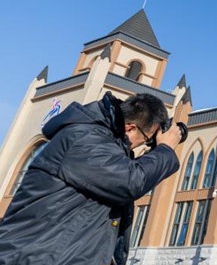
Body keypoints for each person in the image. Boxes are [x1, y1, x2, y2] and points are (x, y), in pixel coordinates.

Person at [0, 92, 182, 265]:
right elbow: (130, 181)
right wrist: (164, 150)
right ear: (130, 128)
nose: (142, 144)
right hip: (34, 257)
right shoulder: (85, 138)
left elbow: (120, 176)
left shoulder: (98, 141)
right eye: (146, 139)